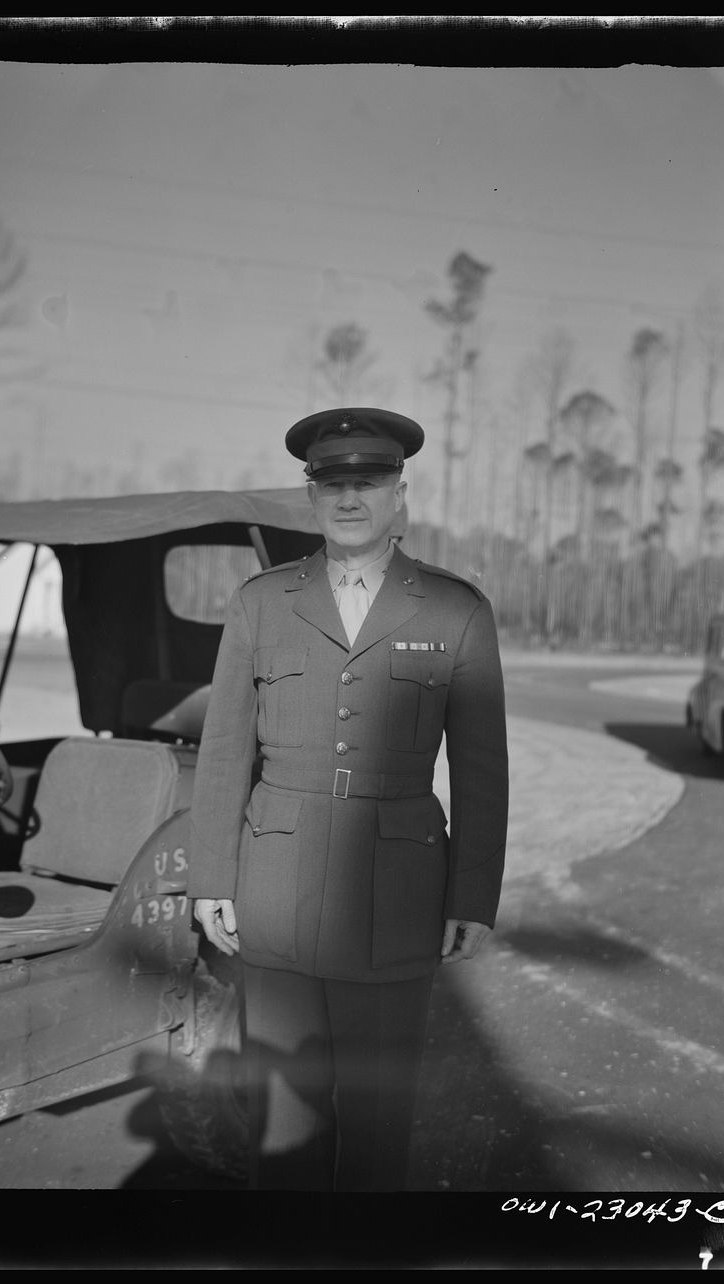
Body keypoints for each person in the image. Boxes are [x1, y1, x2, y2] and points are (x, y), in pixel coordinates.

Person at [188, 407, 508, 1191]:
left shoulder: (453, 609)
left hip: (397, 902)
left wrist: (473, 896)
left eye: (369, 480)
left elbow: (481, 769)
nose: (350, 497)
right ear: (311, 496)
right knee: (283, 1137)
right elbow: (226, 749)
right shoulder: (262, 602)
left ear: (401, 492)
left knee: (376, 1135)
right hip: (277, 899)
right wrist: (210, 880)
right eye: (332, 482)